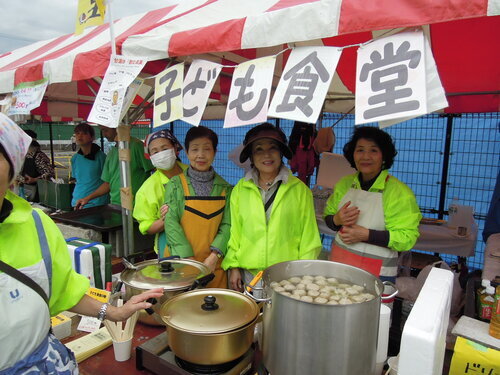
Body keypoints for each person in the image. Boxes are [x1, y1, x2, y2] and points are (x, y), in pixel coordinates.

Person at [0, 113, 163, 374]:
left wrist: (114, 312)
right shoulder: (79, 159)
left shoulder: (38, 225)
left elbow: (65, 291)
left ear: (11, 170)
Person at [222, 123, 322, 293]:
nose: (266, 155)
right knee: (254, 319)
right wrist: (233, 266)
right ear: (251, 157)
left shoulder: (299, 190)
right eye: (259, 149)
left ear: (281, 153)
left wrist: (304, 276)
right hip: (251, 276)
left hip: (288, 278)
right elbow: (235, 232)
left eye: (273, 148)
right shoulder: (240, 189)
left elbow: (309, 237)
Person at [323, 126, 422, 282]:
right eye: (360, 150)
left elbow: (406, 238)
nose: (365, 156)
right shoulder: (345, 184)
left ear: (384, 156)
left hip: (377, 274)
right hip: (338, 265)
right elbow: (328, 217)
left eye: (373, 150)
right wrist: (336, 220)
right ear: (353, 154)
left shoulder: (399, 192)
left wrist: (366, 235)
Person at [164, 126, 231, 288]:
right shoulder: (174, 185)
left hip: (214, 266)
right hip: (180, 262)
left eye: (207, 149)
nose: (200, 155)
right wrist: (189, 259)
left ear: (215, 152)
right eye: (195, 149)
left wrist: (214, 256)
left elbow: (228, 224)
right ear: (187, 153)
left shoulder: (226, 189)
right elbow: (171, 222)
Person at [133, 129, 187, 255]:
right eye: (155, 151)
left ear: (175, 148)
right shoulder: (146, 190)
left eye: (164, 148)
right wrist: (167, 218)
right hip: (168, 246)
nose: (160, 154)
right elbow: (146, 226)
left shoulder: (193, 173)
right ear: (150, 157)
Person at [75, 125, 153, 209]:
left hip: (138, 205)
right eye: (102, 131)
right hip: (116, 204)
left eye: (106, 130)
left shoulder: (137, 146)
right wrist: (87, 198)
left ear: (117, 128)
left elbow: (153, 172)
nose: (104, 134)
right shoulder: (111, 153)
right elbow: (107, 184)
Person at [70, 122, 108, 208]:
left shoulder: (101, 157)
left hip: (96, 203)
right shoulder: (75, 158)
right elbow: (77, 180)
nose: (80, 136)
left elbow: (107, 182)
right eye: (77, 133)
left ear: (92, 137)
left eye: (84, 133)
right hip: (77, 202)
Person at [16, 134, 55, 202]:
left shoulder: (39, 156)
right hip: (25, 190)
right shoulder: (23, 155)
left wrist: (34, 179)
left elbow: (50, 173)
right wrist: (21, 179)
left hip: (39, 192)